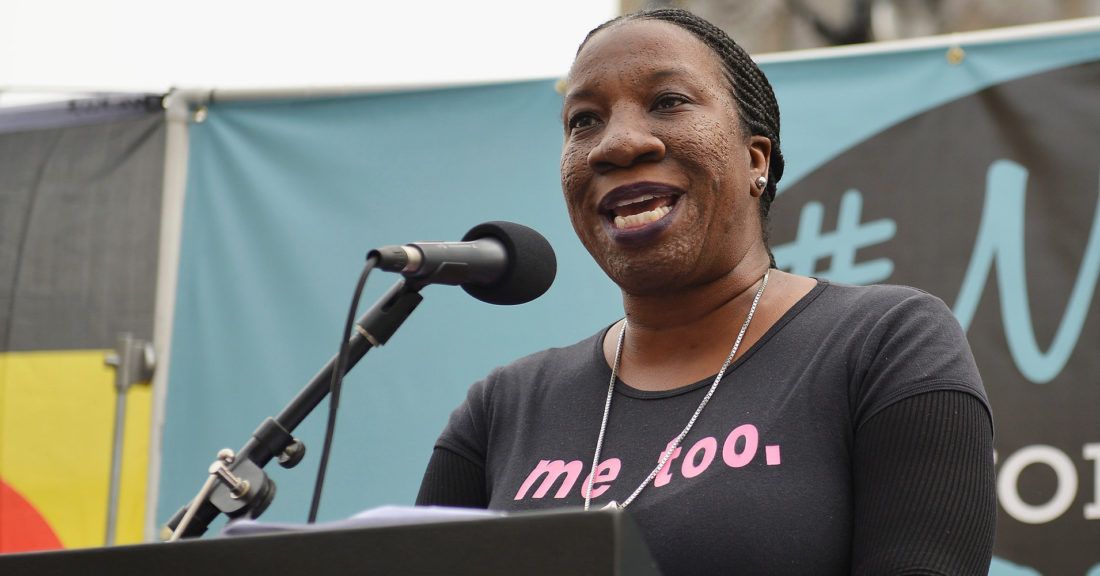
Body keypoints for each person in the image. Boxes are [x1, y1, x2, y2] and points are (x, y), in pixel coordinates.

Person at [416, 8, 996, 575]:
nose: (616, 144)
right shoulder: (502, 408)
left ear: (755, 159)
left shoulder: (885, 342)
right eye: (584, 120)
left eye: (668, 101)